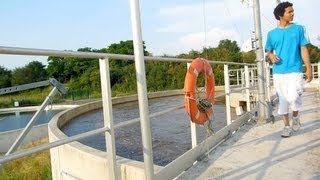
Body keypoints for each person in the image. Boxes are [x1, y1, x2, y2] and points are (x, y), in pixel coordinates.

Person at [265, 1, 313, 138]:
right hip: (279, 71)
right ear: (281, 15)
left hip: (295, 69)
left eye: (293, 11)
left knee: (294, 96)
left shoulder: (298, 29)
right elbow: (268, 50)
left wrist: (308, 68)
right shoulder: (272, 34)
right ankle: (286, 126)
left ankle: (296, 117)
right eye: (289, 12)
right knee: (283, 100)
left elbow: (303, 48)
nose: (293, 13)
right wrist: (271, 55)